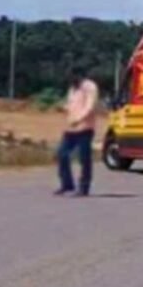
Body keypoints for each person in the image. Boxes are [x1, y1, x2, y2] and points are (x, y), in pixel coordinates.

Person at [55, 68, 100, 197]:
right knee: (62, 154)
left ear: (79, 75)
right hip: (71, 128)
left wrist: (79, 119)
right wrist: (63, 108)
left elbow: (90, 107)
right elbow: (71, 104)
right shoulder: (72, 89)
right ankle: (67, 184)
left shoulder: (90, 87)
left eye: (72, 77)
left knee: (84, 158)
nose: (70, 80)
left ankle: (84, 187)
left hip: (85, 127)